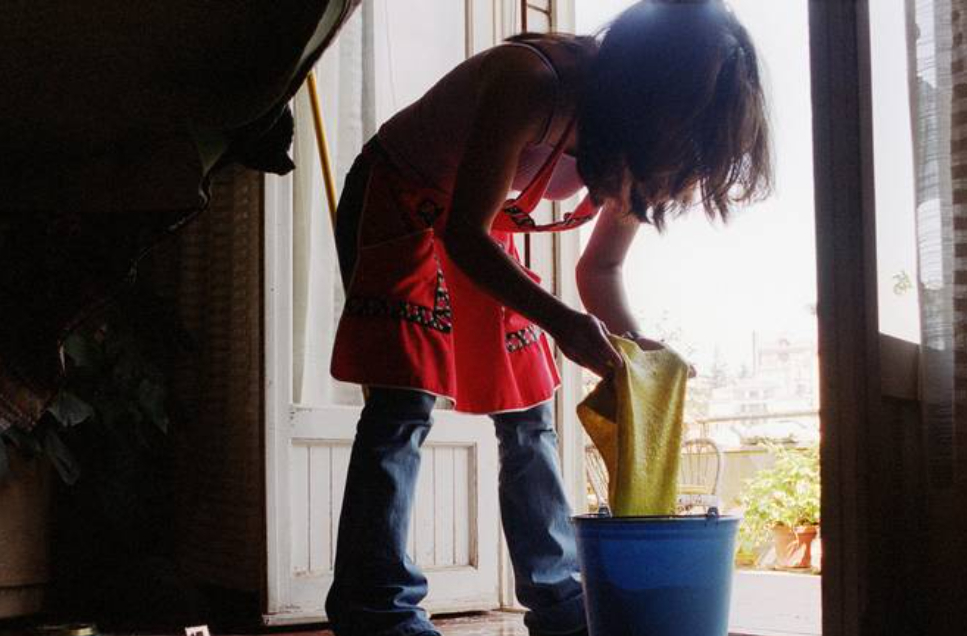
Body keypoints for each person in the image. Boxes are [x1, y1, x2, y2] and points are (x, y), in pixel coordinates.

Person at [324, 1, 771, 635]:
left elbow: (601, 271)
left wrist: (634, 348)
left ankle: (561, 601)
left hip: (472, 226)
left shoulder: (641, 149)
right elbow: (464, 236)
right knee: (404, 403)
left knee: (529, 410)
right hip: (399, 198)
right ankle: (376, 608)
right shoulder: (531, 81)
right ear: (645, 89)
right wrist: (563, 322)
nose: (680, 156)